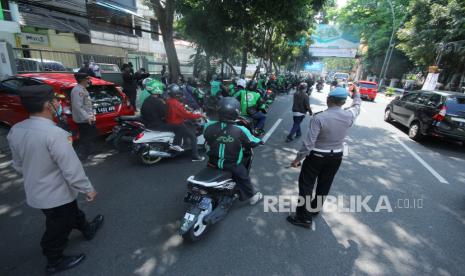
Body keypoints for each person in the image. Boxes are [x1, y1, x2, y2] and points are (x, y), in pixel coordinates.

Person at [7, 84, 104, 274]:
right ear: (47, 105)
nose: (58, 103)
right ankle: (54, 260)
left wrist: (36, 174)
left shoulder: (16, 130)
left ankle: (86, 228)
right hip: (56, 194)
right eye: (55, 100)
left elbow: (18, 164)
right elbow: (71, 168)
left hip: (38, 191)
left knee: (71, 213)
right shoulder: (55, 134)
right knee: (58, 227)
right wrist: (87, 188)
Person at [287, 87, 361, 228]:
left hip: (317, 156)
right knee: (324, 184)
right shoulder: (349, 115)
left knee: (306, 186)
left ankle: (304, 217)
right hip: (336, 157)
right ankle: (314, 209)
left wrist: (297, 160)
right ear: (343, 102)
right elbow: (357, 105)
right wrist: (356, 93)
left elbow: (308, 145)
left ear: (328, 100)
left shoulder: (319, 118)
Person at [203, 97, 263, 205]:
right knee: (244, 177)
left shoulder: (208, 126)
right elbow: (252, 142)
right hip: (232, 164)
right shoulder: (240, 129)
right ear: (237, 112)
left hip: (213, 162)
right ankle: (252, 197)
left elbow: (206, 137)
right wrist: (260, 141)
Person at [165, 84, 205, 161]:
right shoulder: (176, 104)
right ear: (176, 93)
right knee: (193, 137)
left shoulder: (169, 101)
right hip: (177, 123)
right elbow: (186, 115)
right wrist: (200, 115)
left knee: (186, 125)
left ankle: (182, 145)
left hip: (170, 122)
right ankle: (195, 156)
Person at [140, 82, 184, 152]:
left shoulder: (146, 99)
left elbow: (142, 112)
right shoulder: (158, 101)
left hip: (147, 124)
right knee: (179, 127)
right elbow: (166, 113)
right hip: (156, 125)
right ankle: (176, 145)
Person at [70, 73, 98, 159]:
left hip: (88, 117)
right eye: (87, 79)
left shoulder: (82, 89)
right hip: (83, 119)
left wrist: (92, 115)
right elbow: (78, 106)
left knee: (90, 135)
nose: (88, 80)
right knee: (85, 136)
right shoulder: (78, 90)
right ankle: (84, 153)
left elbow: (87, 104)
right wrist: (87, 117)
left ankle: (91, 150)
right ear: (82, 80)